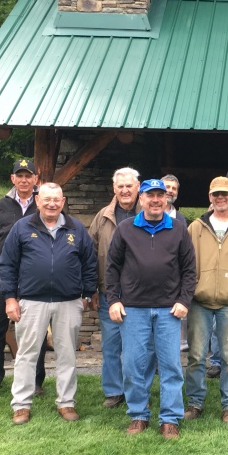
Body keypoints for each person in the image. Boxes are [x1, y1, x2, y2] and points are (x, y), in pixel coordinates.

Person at [0, 183, 97, 425]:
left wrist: (86, 294)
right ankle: (21, 405)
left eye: (56, 200)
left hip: (69, 302)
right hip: (31, 301)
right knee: (26, 355)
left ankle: (66, 402)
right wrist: (10, 298)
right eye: (47, 199)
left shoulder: (76, 229)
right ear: (38, 201)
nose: (52, 204)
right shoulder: (22, 227)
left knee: (67, 355)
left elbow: (90, 263)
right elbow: (8, 264)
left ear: (63, 202)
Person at [106, 179, 196, 438]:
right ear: (141, 199)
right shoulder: (125, 229)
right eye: (150, 195)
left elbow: (190, 269)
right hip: (133, 309)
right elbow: (112, 268)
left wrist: (184, 300)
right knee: (133, 365)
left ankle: (169, 418)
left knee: (171, 366)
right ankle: (138, 414)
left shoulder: (179, 229)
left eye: (160, 195)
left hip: (169, 310)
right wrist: (113, 300)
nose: (156, 200)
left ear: (166, 199)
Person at [184, 177, 228, 423]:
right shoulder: (195, 228)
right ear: (210, 197)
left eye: (225, 193)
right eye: (216, 194)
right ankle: (195, 402)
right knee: (196, 356)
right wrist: (194, 288)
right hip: (199, 302)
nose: (221, 198)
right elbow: (186, 263)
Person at [0, 159, 48, 396]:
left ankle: (35, 382)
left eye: (29, 176)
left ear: (36, 179)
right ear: (12, 179)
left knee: (35, 331)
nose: (24, 180)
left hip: (34, 278)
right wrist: (1, 258)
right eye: (20, 176)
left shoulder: (44, 204)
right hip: (4, 276)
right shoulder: (1, 205)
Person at [88, 167, 140, 409]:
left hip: (140, 294)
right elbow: (90, 254)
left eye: (129, 186)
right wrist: (92, 289)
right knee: (111, 345)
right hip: (109, 292)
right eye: (121, 186)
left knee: (138, 347)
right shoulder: (103, 217)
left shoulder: (147, 213)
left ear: (138, 187)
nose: (125, 190)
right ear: (114, 189)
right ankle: (113, 391)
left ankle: (137, 390)